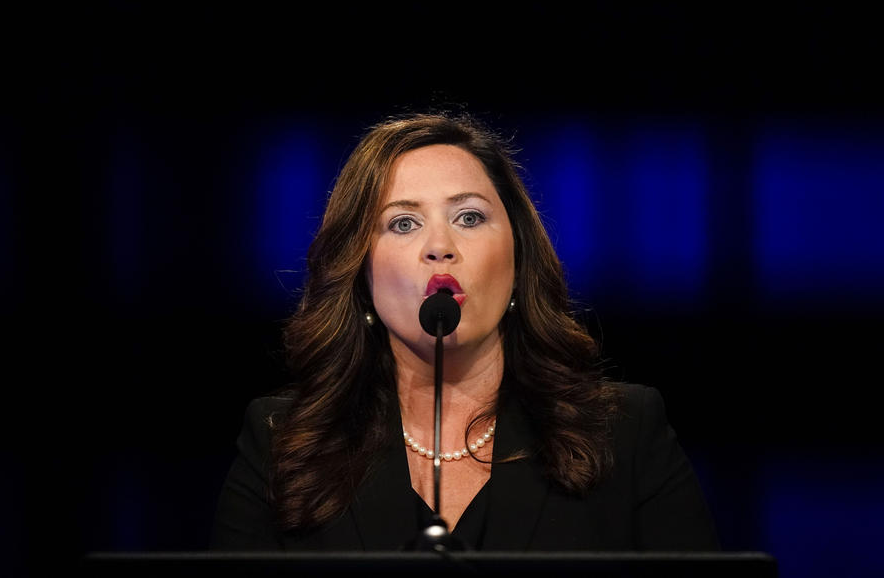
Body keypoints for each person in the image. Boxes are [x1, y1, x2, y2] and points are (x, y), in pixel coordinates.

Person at [211, 112, 718, 551]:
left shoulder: (625, 431)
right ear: (360, 272)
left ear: (518, 260)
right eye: (403, 223)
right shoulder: (282, 441)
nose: (440, 247)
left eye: (469, 217)